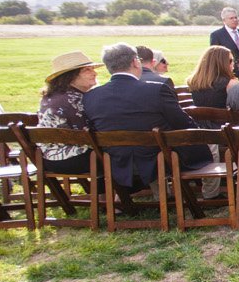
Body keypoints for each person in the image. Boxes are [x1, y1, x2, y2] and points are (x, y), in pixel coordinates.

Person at [83, 42, 210, 190]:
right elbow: (182, 123)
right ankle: (210, 193)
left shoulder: (91, 96)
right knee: (207, 144)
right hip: (161, 159)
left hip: (117, 162)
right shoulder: (156, 90)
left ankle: (159, 194)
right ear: (135, 62)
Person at [37, 50, 101, 173]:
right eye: (87, 70)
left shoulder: (51, 96)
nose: (94, 73)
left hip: (48, 160)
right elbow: (92, 133)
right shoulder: (75, 99)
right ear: (70, 76)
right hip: (75, 159)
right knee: (119, 154)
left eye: (92, 68)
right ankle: (120, 190)